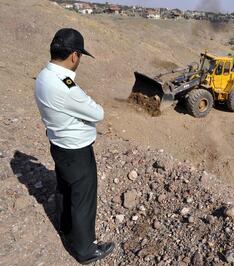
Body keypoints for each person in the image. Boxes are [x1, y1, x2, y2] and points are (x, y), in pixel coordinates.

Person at [35, 28, 114, 264]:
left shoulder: (43, 76)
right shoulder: (65, 85)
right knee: (83, 198)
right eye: (80, 56)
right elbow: (98, 113)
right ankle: (85, 250)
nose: (79, 61)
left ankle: (65, 227)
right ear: (74, 55)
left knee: (64, 187)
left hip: (58, 144)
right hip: (77, 150)